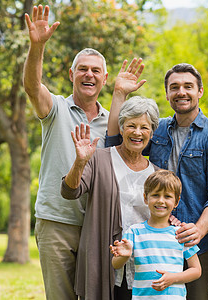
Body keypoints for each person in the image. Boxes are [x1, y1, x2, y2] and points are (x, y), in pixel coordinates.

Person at [107, 63, 208, 299]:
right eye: (174, 87)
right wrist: (119, 95)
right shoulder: (158, 129)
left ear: (200, 91)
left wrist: (199, 229)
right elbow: (116, 142)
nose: (181, 92)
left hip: (199, 245)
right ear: (167, 94)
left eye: (188, 86)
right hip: (156, 242)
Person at [24, 5, 112, 300]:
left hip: (96, 225)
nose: (89, 75)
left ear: (105, 78)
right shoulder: (56, 108)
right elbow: (33, 86)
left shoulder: (112, 122)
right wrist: (38, 46)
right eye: (83, 69)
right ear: (72, 73)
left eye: (95, 70)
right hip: (57, 222)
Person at [60, 96, 160, 299]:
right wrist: (80, 162)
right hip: (104, 260)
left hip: (143, 267)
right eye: (131, 125)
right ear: (121, 128)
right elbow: (69, 191)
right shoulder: (99, 159)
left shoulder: (156, 174)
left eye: (144, 127)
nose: (138, 133)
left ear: (152, 132)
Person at [110, 170, 202, 299]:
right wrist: (124, 256)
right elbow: (116, 264)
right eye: (155, 195)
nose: (161, 201)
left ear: (176, 201)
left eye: (167, 196)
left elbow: (196, 270)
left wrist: (173, 278)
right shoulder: (134, 232)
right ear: (145, 198)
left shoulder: (181, 233)